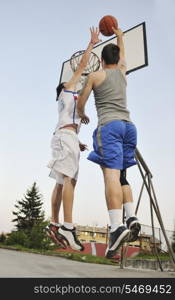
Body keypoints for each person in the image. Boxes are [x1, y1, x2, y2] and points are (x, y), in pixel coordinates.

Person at [77, 27, 141, 258]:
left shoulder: (95, 76)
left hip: (110, 126)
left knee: (111, 176)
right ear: (117, 59)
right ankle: (131, 215)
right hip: (129, 127)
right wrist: (120, 35)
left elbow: (81, 102)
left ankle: (116, 227)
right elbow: (123, 55)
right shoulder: (123, 72)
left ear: (102, 60)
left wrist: (82, 113)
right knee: (123, 175)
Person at [46, 27, 101, 251]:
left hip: (68, 137)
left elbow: (66, 125)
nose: (76, 83)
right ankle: (67, 226)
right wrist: (92, 44)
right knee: (69, 180)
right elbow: (80, 67)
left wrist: (77, 142)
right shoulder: (66, 90)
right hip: (64, 137)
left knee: (62, 182)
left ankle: (54, 223)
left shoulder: (73, 108)